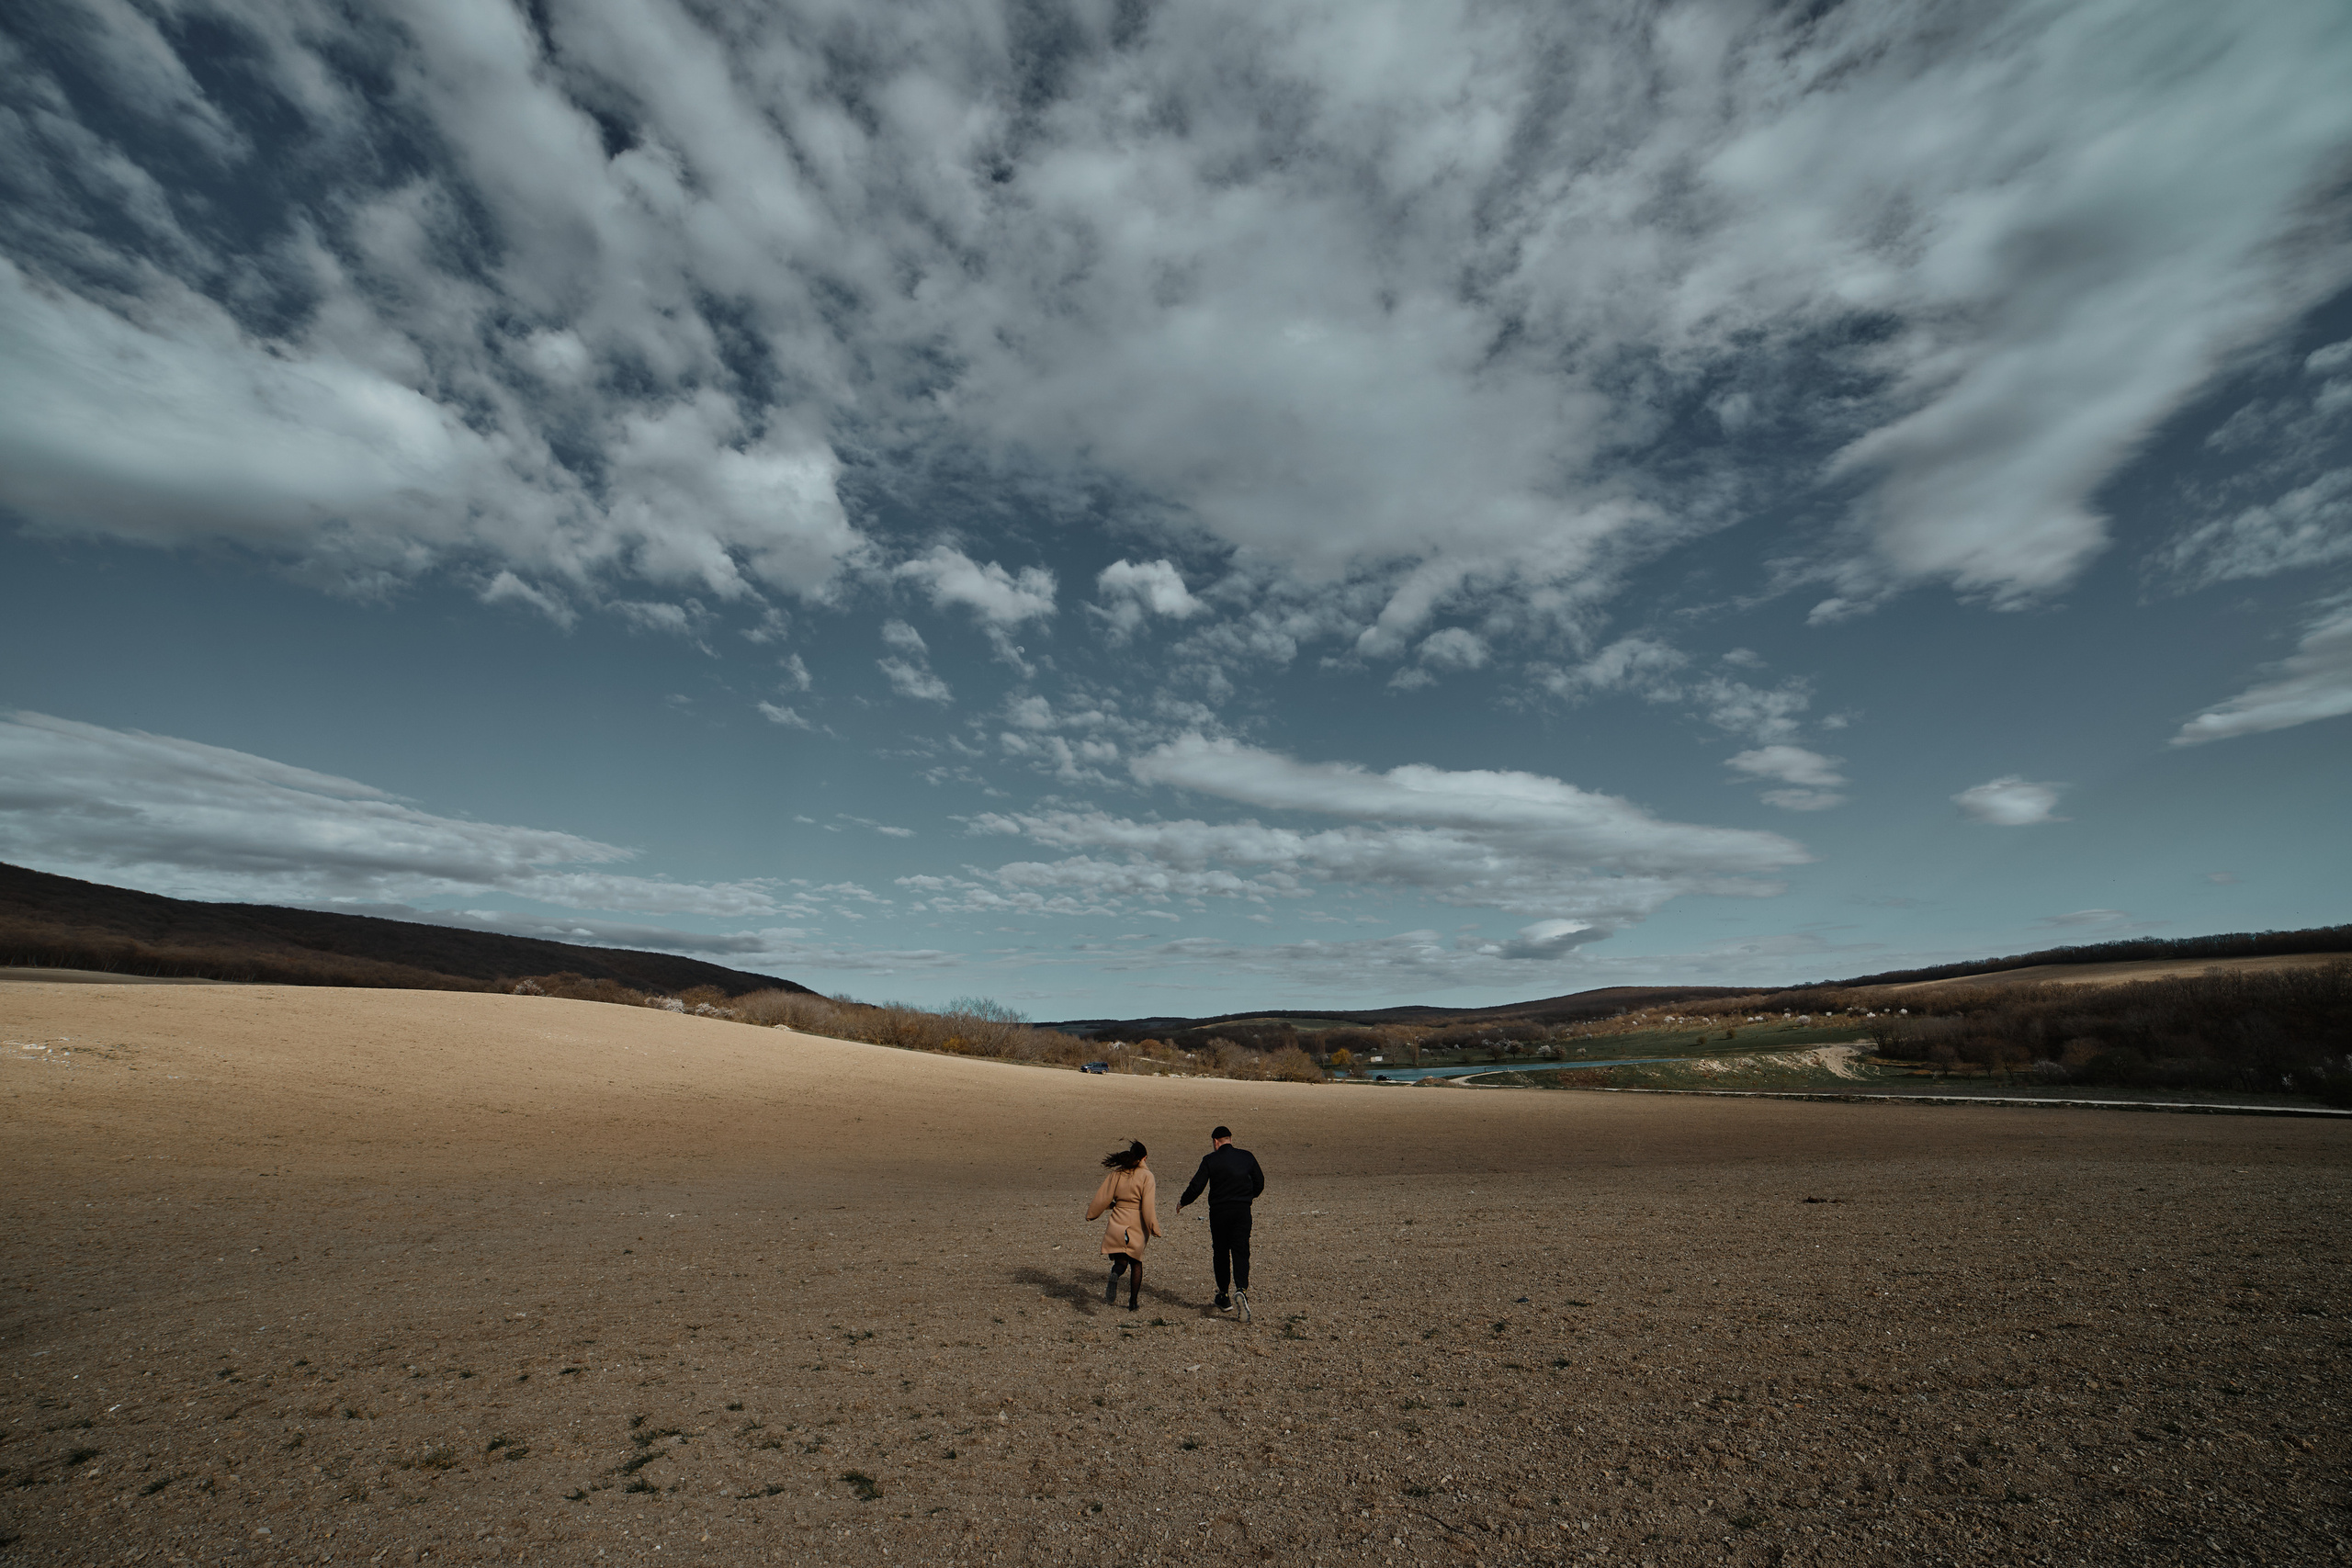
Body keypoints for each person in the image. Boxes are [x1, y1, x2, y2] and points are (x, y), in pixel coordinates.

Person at [1177, 1125, 1264, 1319]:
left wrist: (1183, 1201)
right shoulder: (1247, 1157)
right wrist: (1247, 1197)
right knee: (1241, 1251)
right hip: (1242, 1211)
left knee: (1221, 1252)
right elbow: (1260, 1182)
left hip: (1219, 1213)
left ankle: (1224, 1296)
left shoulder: (1210, 1160)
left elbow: (1197, 1186)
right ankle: (1241, 1289)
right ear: (1230, 1139)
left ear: (1216, 1142)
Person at [1085, 1140, 1161, 1312]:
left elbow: (1103, 1196)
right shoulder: (1147, 1176)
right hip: (1136, 1224)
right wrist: (1154, 1227)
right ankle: (1133, 1303)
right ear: (1144, 1158)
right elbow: (1148, 1206)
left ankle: (1116, 1274)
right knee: (1136, 1263)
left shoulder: (1117, 1174)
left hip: (1118, 1221)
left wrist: (1092, 1214)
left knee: (1121, 1262)